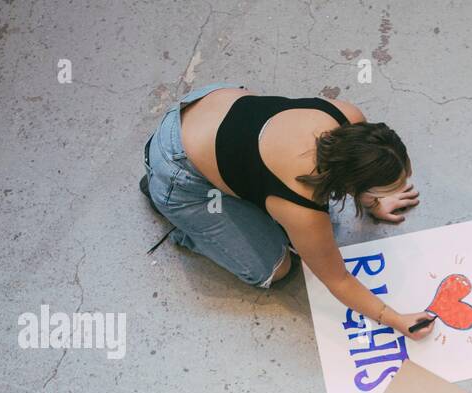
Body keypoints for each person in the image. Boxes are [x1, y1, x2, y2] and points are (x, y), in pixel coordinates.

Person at [141, 83, 436, 339]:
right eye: (382, 189)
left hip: (209, 104)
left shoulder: (347, 116)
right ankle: (167, 200)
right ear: (350, 183)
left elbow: (355, 165)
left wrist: (373, 200)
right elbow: (338, 280)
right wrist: (394, 318)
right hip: (178, 170)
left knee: (276, 206)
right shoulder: (302, 210)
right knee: (274, 268)